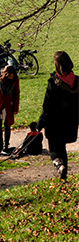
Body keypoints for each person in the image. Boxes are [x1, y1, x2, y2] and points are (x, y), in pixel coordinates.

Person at [35, 50, 78, 180]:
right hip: (70, 123)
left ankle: (59, 166)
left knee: (54, 149)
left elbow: (47, 106)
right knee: (62, 147)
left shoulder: (53, 83)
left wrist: (40, 124)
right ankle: (63, 176)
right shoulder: (77, 81)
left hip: (55, 124)